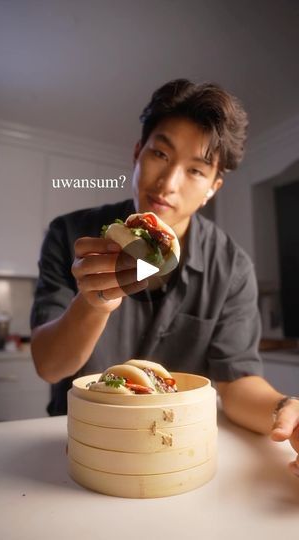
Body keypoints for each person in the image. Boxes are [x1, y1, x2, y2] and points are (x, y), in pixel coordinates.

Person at [30, 79, 299, 477]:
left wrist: (286, 409)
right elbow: (50, 366)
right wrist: (92, 302)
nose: (168, 184)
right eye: (159, 153)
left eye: (195, 170)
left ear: (213, 188)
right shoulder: (70, 234)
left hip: (178, 450)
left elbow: (237, 383)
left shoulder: (232, 267)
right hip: (81, 442)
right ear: (137, 153)